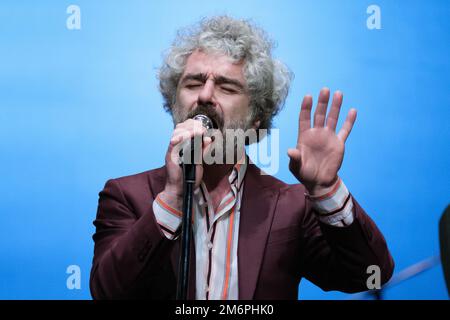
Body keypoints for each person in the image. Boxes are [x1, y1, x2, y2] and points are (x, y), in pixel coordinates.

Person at [89, 15, 394, 300]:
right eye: (193, 83)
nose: (205, 96)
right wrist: (171, 198)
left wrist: (326, 190)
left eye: (226, 87)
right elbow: (107, 292)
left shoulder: (290, 207)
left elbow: (371, 276)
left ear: (255, 118)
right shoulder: (126, 196)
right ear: (174, 102)